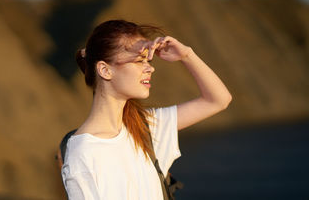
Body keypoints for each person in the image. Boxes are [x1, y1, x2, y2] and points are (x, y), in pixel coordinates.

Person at [61, 20, 232, 199]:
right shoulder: (83, 156)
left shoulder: (144, 127)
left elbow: (218, 99)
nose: (150, 68)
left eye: (148, 60)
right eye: (139, 60)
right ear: (105, 70)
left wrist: (187, 55)